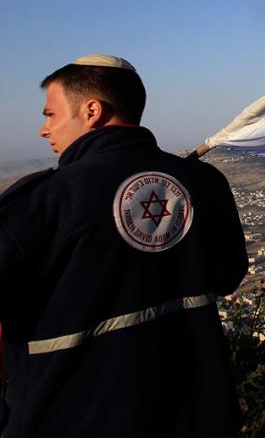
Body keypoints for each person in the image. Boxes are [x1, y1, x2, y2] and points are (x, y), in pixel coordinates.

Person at [0, 55, 248, 438]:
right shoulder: (203, 183)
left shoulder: (46, 200)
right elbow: (227, 276)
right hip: (195, 415)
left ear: (92, 111)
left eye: (50, 114)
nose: (43, 129)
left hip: (68, 419)